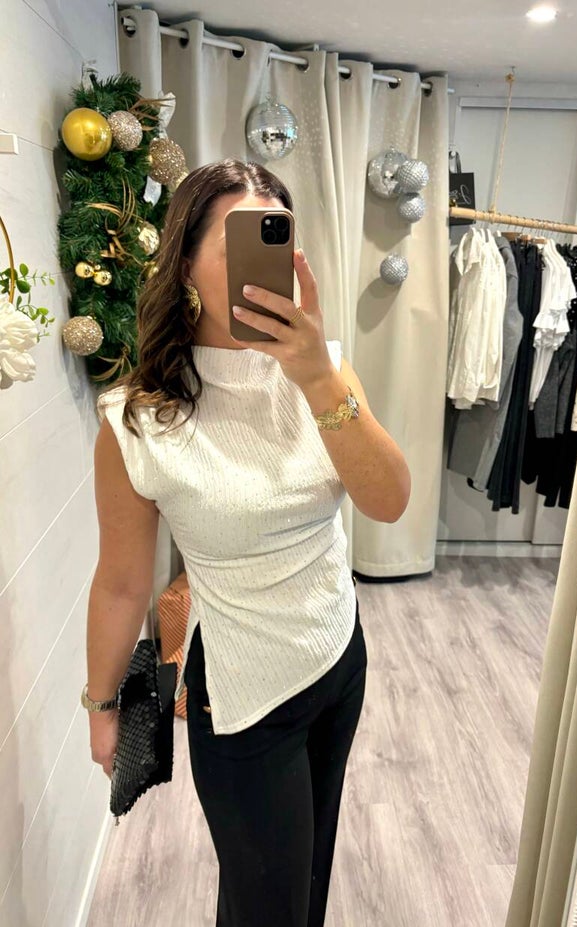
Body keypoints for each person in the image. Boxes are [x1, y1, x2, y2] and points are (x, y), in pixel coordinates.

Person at [83, 158, 411, 927]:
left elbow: (388, 501)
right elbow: (122, 583)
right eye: (238, 240)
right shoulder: (139, 420)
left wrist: (318, 379)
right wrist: (102, 705)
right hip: (244, 700)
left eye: (275, 236)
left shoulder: (325, 371)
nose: (262, 261)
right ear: (184, 262)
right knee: (266, 906)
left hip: (339, 657)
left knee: (310, 876)